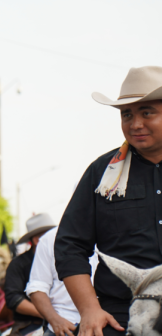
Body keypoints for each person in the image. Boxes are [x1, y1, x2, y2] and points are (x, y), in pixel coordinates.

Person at [55, 66, 162, 336]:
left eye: (147, 113)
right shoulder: (102, 173)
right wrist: (89, 309)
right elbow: (70, 246)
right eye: (127, 114)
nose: (135, 124)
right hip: (121, 315)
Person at [26, 227, 98, 336]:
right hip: (66, 326)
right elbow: (37, 288)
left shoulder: (112, 235)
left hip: (106, 322)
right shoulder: (50, 238)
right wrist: (56, 321)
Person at [4, 214, 56, 336]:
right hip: (28, 324)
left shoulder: (64, 260)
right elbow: (14, 299)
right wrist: (50, 314)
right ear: (37, 240)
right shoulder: (18, 264)